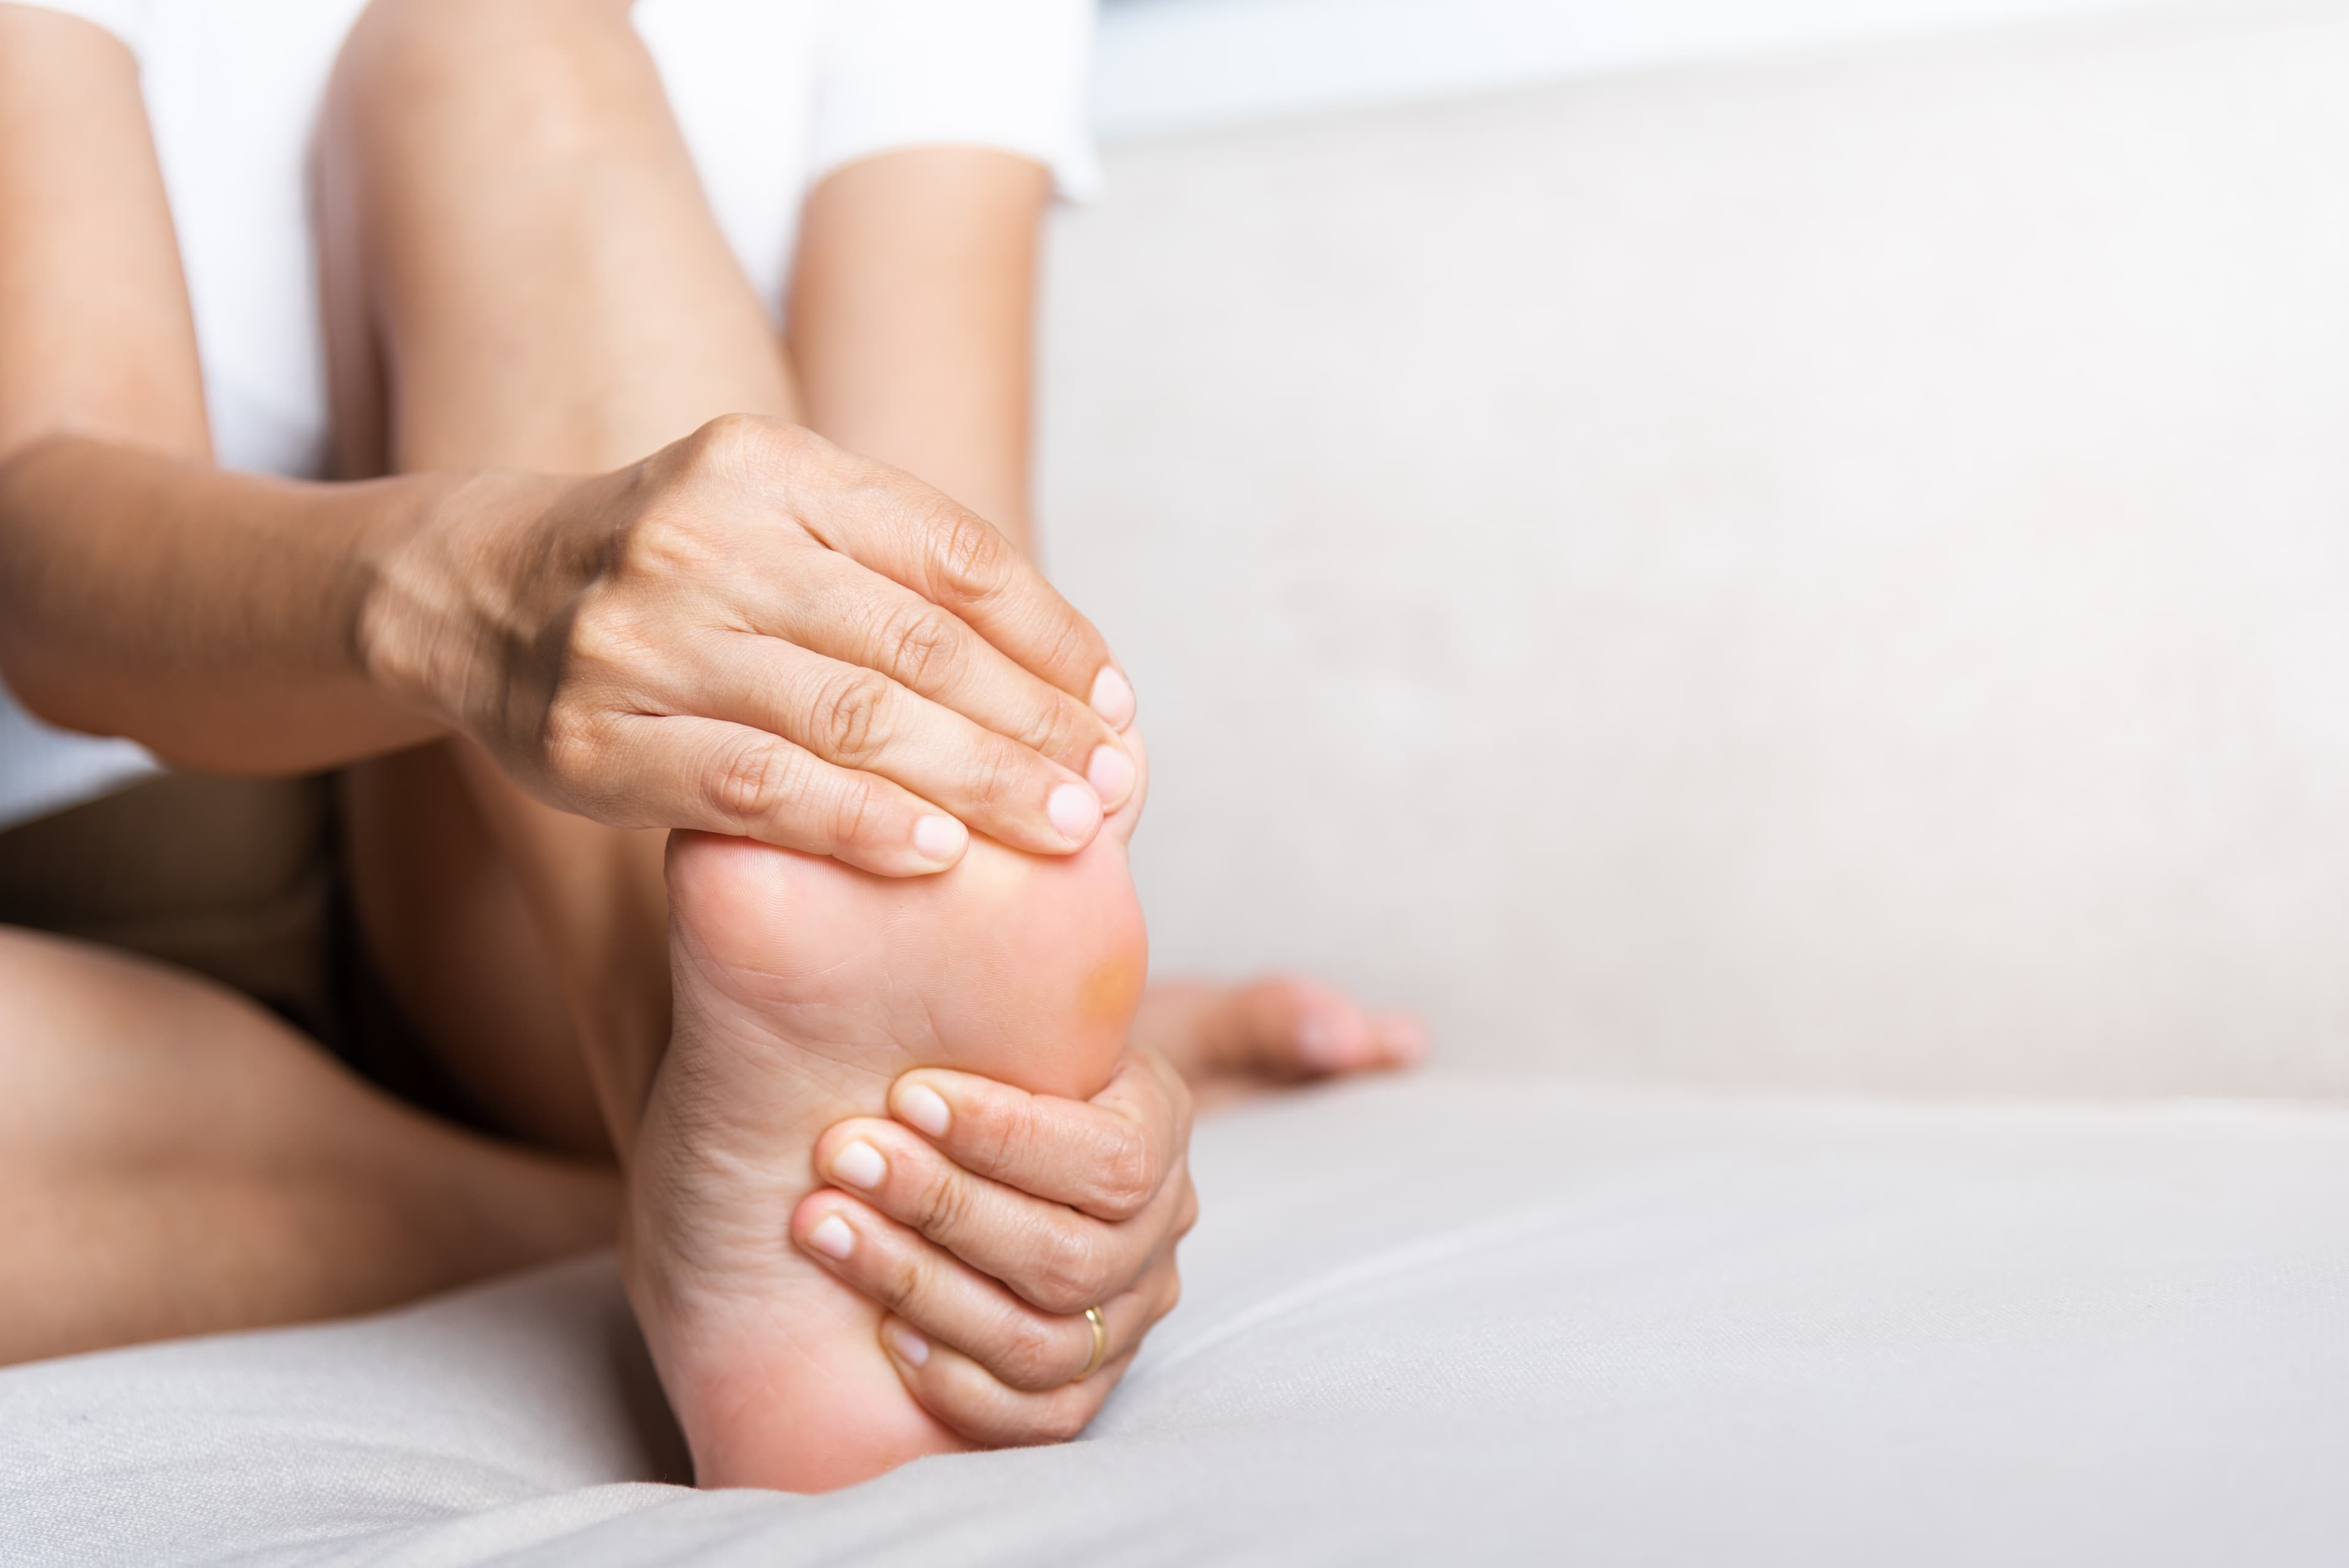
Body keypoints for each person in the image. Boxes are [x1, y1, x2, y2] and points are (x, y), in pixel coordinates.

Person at [0, 0, 1422, 1492]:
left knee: (500, 54)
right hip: (103, 898)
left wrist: (975, 993)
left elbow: (938, 609)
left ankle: (737, 1101)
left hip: (568, 911)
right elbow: (40, 534)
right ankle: (707, 1204)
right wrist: (482, 591)